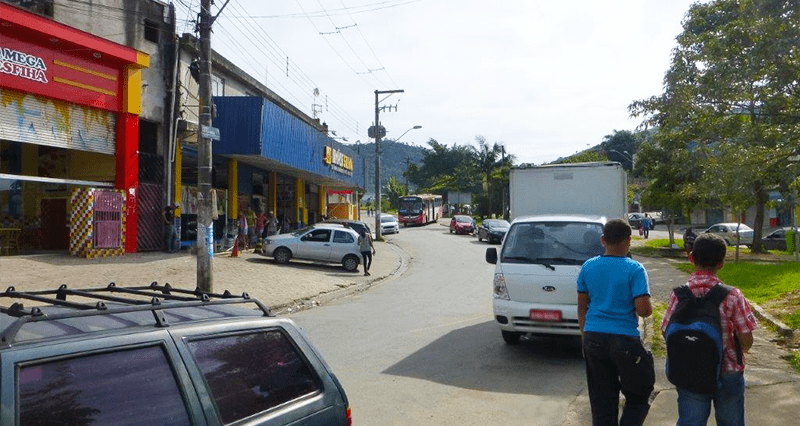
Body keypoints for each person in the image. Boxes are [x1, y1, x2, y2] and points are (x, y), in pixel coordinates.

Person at [661, 233, 757, 426]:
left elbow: (665, 330)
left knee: (690, 421)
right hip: (728, 371)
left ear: (691, 258)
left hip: (690, 370)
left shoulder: (679, 293)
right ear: (721, 263)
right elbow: (746, 340)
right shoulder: (732, 295)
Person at [577, 218, 655, 426]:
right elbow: (644, 311)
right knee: (639, 394)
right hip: (624, 340)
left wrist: (585, 335)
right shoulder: (635, 269)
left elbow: (582, 306)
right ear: (628, 241)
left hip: (593, 337)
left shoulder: (588, 267)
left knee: (602, 398)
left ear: (603, 240)